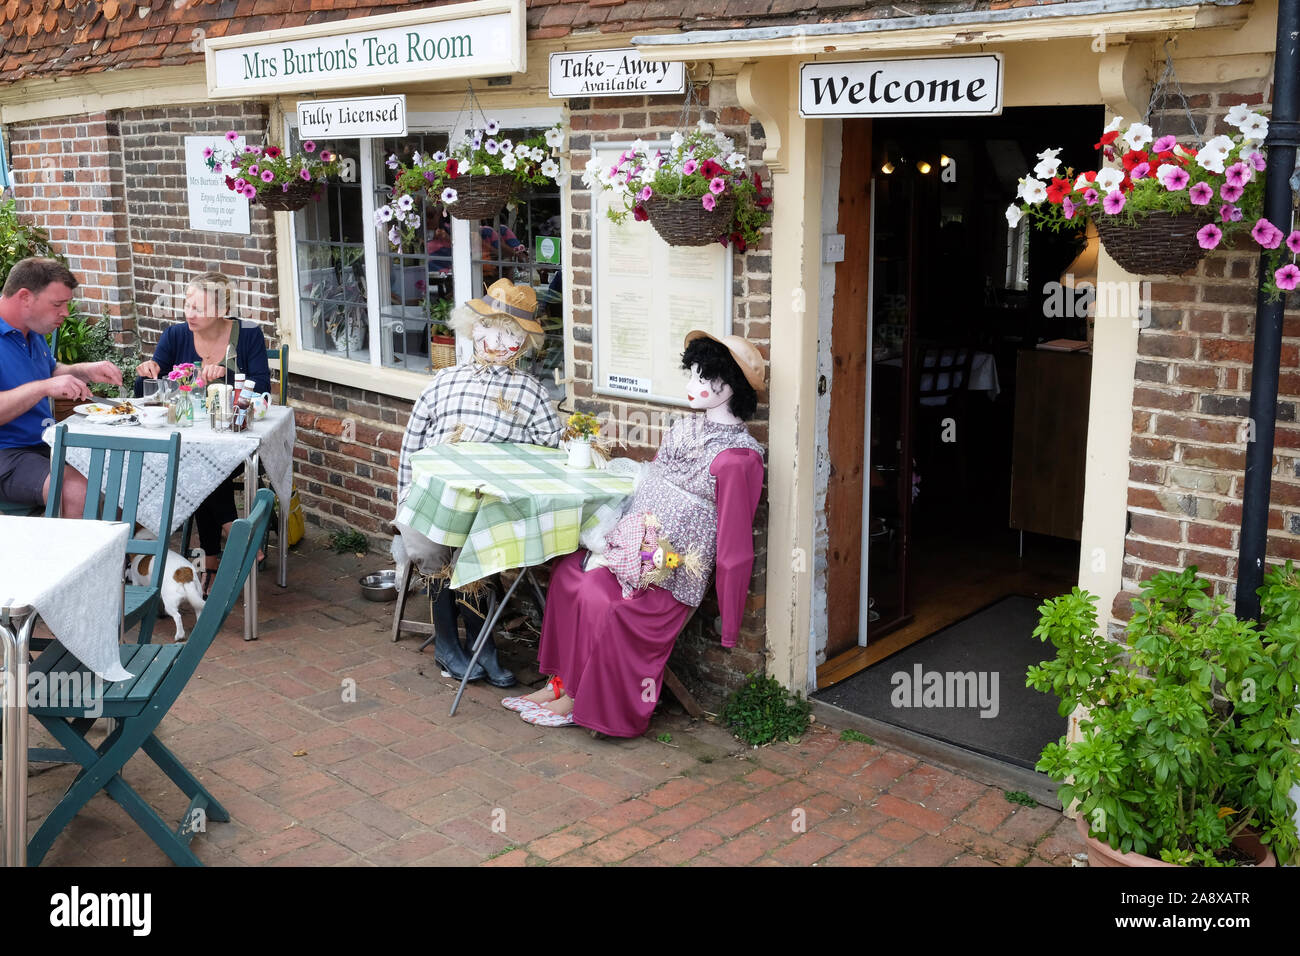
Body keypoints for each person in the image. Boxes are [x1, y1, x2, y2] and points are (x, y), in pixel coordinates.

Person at [503, 331, 766, 734]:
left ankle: (580, 696)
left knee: (599, 598)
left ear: (730, 385)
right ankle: (559, 681)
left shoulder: (739, 459)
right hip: (632, 547)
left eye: (702, 377)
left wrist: (729, 625)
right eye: (691, 374)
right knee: (569, 574)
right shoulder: (684, 428)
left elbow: (735, 545)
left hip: (670, 568)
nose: (691, 386)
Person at [395, 278, 564, 687]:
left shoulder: (531, 393)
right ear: (472, 327)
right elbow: (411, 443)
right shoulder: (444, 381)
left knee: (480, 544)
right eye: (489, 328)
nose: (497, 340)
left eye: (511, 334)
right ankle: (449, 644)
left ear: (524, 344)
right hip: (435, 499)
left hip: (490, 506)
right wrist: (404, 495)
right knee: (436, 545)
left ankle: (482, 643)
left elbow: (552, 453)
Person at [135, 271, 270, 593]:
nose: (190, 314)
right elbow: (149, 394)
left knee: (202, 465)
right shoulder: (175, 336)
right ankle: (231, 532)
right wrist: (146, 373)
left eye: (199, 307)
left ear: (222, 310)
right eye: (187, 305)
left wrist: (227, 373)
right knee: (193, 462)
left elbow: (263, 389)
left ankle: (212, 558)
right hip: (186, 437)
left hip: (233, 439)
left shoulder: (247, 334)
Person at [0, 257, 123, 516]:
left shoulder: (30, 330)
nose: (66, 313)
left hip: (45, 444)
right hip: (7, 451)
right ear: (24, 297)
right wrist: (44, 387)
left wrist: (83, 370)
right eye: (58, 304)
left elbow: (50, 372)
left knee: (121, 476)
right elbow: (43, 383)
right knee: (76, 491)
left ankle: (124, 553)